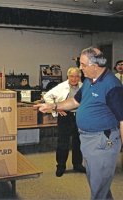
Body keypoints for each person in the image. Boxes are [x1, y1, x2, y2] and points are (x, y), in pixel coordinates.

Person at [34, 47, 123, 200]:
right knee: (97, 182)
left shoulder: (112, 85)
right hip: (88, 139)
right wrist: (52, 106)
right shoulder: (89, 81)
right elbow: (75, 101)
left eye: (83, 65)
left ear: (95, 65)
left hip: (102, 140)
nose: (80, 68)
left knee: (98, 186)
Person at [43, 67, 85, 177]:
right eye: (72, 76)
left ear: (80, 77)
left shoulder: (84, 86)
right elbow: (47, 96)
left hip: (80, 116)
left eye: (77, 76)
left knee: (79, 141)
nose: (74, 79)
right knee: (63, 142)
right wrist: (57, 108)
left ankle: (77, 164)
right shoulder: (61, 86)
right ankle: (61, 166)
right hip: (65, 116)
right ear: (68, 77)